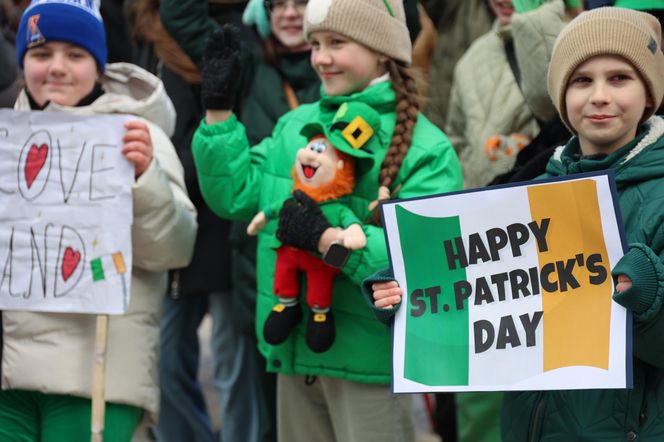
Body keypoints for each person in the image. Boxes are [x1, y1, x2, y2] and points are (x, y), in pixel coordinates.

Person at [371, 6, 664, 442]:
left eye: (619, 78)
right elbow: (481, 294)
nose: (599, 95)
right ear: (562, 96)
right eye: (582, 81)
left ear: (649, 94)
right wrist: (410, 290)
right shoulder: (530, 193)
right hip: (530, 427)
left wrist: (649, 294)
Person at [191, 0, 462, 440]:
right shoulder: (295, 125)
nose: (320, 57)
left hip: (371, 366)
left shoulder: (426, 149)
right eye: (315, 44)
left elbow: (424, 261)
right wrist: (219, 112)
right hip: (296, 355)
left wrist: (326, 239)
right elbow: (234, 195)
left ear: (381, 49)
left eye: (337, 43)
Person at [0, 0, 197, 440]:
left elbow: (174, 249)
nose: (56, 68)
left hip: (97, 374)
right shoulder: (7, 141)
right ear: (22, 61)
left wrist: (144, 179)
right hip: (10, 374)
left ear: (98, 64)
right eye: (40, 54)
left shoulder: (135, 135)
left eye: (75, 55)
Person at [155, 0, 320, 440]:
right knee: (270, 420)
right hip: (262, 274)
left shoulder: (347, 76)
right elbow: (180, 16)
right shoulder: (245, 60)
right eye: (277, 4)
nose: (288, 13)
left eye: (300, 3)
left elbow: (404, 24)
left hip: (333, 276)